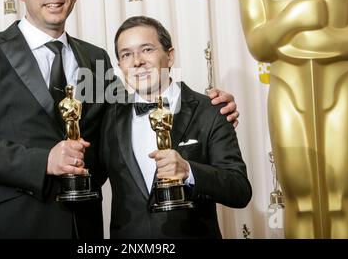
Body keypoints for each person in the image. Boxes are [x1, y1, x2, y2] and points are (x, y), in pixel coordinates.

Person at [0, 0, 239, 239]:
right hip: (14, 224)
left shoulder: (95, 57)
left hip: (83, 226)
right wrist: (44, 162)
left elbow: (131, 112)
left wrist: (207, 108)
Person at [236, 0, 348, 238]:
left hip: (344, 88)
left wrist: (316, 41)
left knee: (345, 198)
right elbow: (258, 45)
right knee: (300, 201)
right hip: (288, 92)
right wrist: (292, 19)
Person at [98, 16, 252, 238]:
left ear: (169, 56)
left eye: (147, 49)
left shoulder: (211, 110)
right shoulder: (108, 118)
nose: (137, 61)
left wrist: (189, 171)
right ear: (120, 65)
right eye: (126, 54)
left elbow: (240, 190)